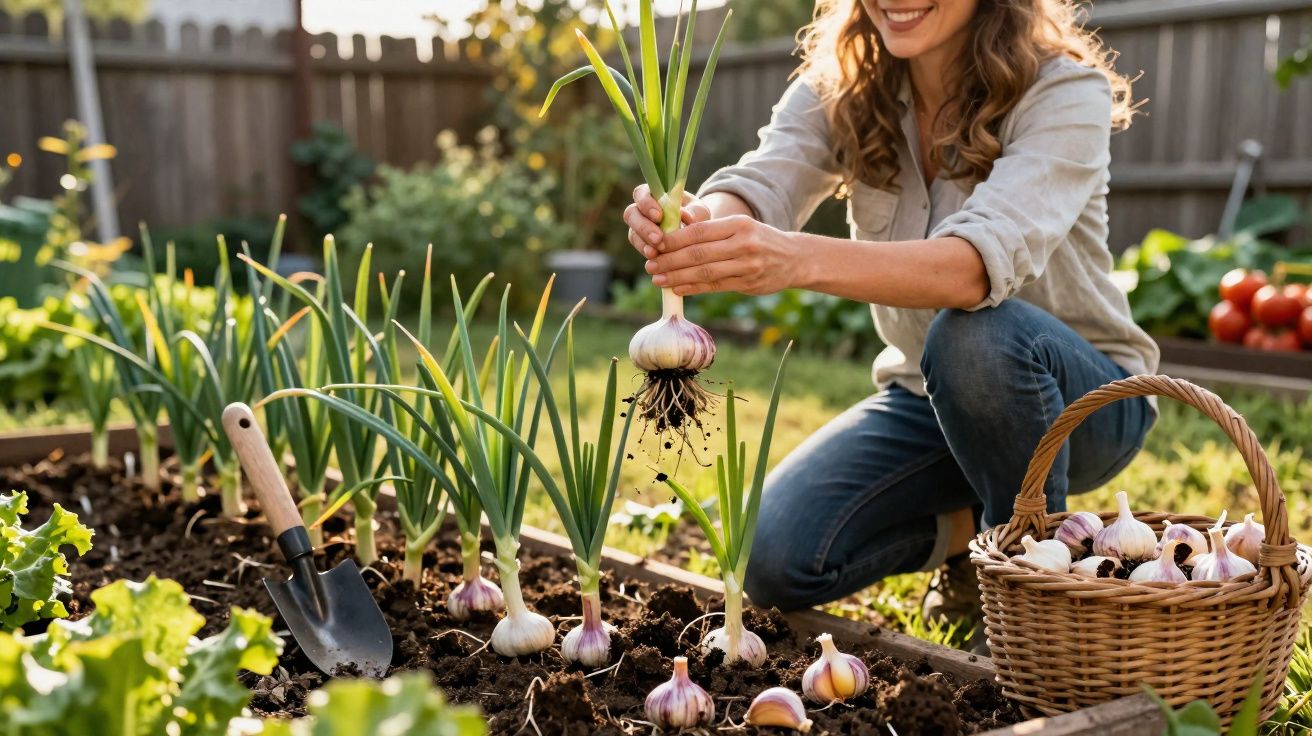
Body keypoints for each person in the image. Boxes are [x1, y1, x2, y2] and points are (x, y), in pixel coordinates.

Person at [621, 0, 1158, 640]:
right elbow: (766, 179)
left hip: (1083, 401)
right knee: (767, 557)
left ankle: (1030, 601)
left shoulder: (1064, 90)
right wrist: (698, 222)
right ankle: (973, 533)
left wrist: (792, 259)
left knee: (975, 333)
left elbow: (970, 271)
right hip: (924, 398)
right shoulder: (844, 81)